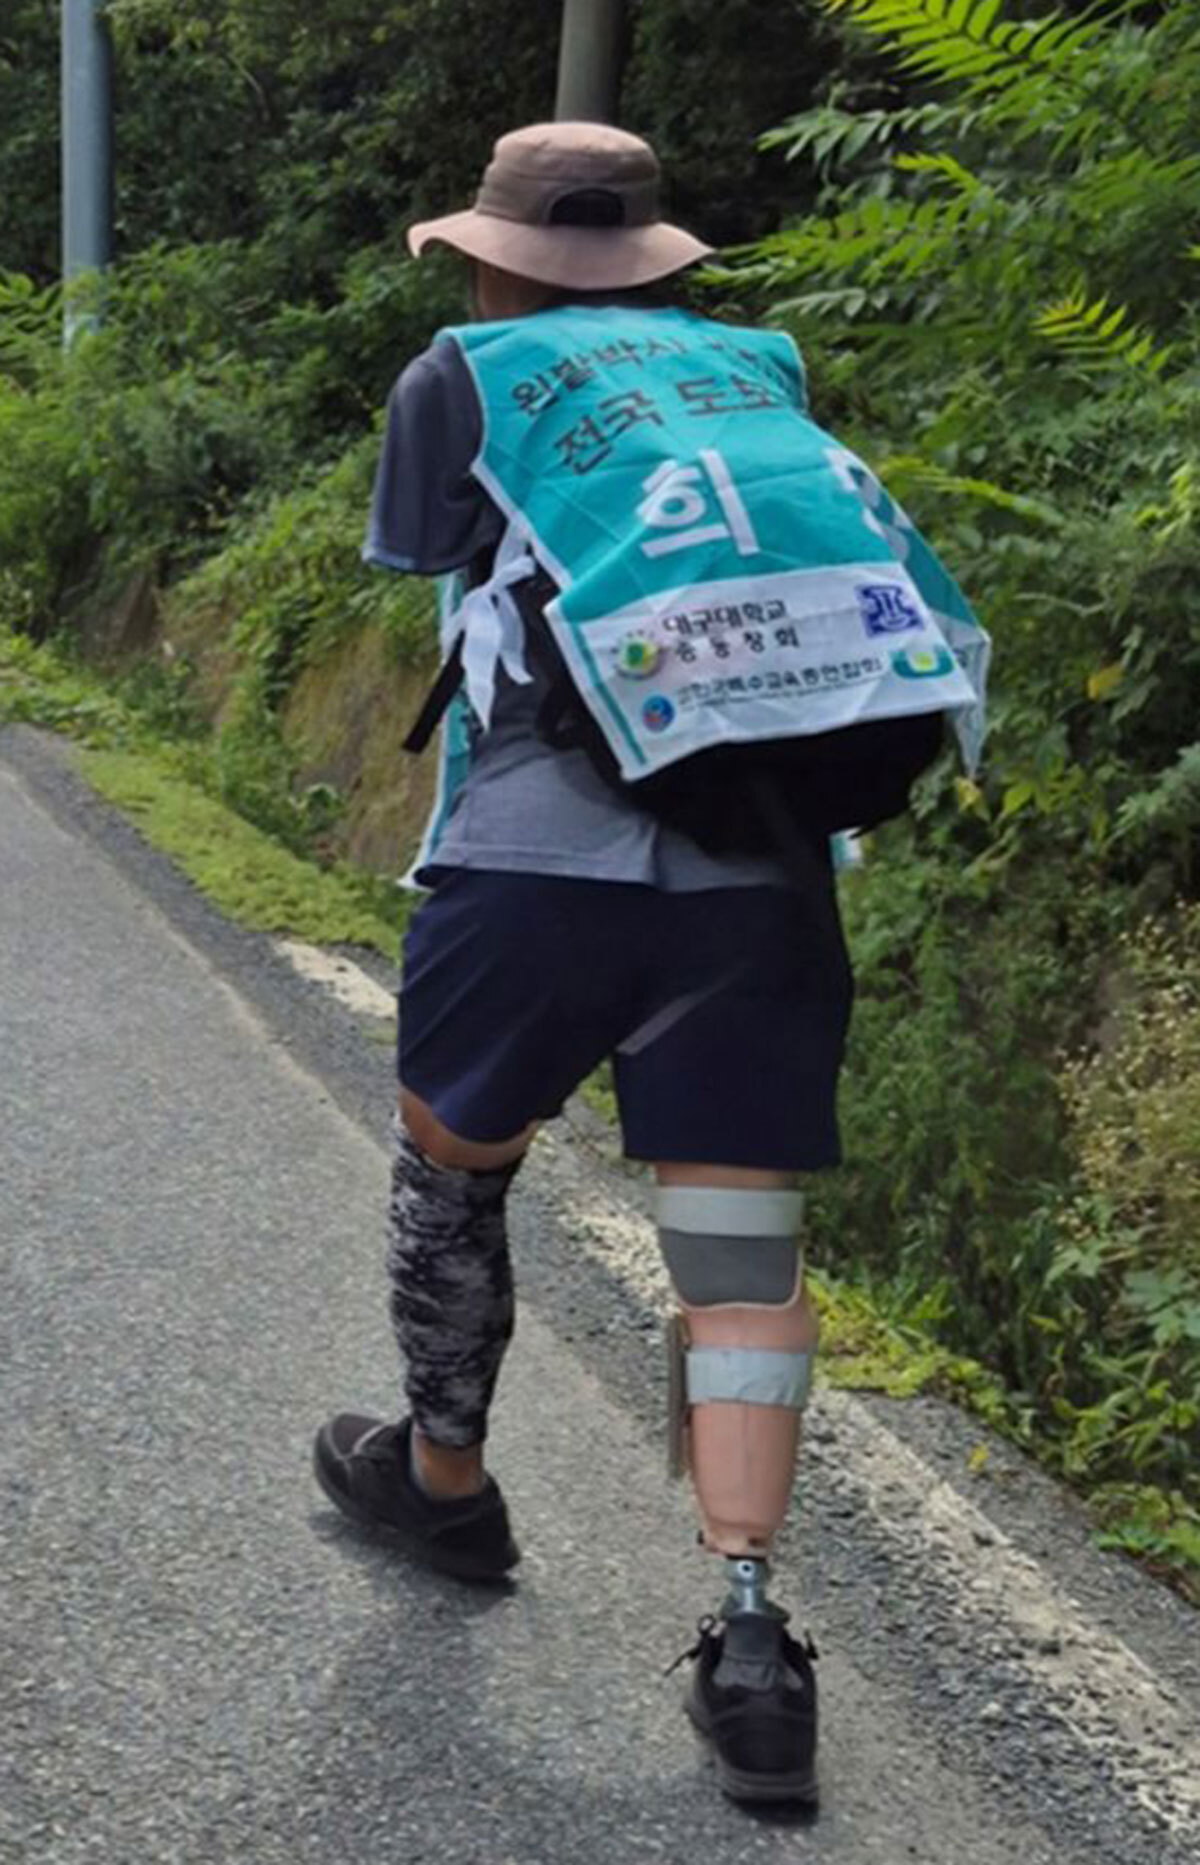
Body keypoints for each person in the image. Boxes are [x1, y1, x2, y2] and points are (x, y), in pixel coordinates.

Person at [314, 121, 987, 1807]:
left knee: (453, 1170)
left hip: (535, 864)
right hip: (761, 873)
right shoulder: (760, 370)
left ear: (494, 258)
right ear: (653, 259)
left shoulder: (463, 371)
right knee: (739, 1254)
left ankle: (445, 1484)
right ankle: (753, 1642)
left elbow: (433, 559)